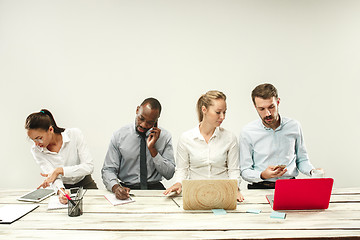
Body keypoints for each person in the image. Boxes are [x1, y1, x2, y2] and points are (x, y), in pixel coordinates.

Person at [164, 90, 244, 202]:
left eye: (224, 112)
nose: (222, 117)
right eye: (218, 112)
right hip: (195, 194)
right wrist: (178, 183)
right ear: (204, 110)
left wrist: (235, 188)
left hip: (223, 194)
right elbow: (182, 170)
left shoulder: (230, 138)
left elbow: (233, 170)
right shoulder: (186, 138)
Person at [239, 83, 323, 189]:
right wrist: (262, 175)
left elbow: (302, 160)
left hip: (290, 187)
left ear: (278, 102)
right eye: (262, 109)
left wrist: (313, 172)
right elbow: (245, 170)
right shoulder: (247, 132)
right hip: (260, 188)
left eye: (271, 107)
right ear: (255, 107)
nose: (268, 113)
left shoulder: (294, 126)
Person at [101, 97, 175, 200]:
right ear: (137, 110)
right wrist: (116, 187)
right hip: (127, 188)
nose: (143, 125)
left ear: (156, 120)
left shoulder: (164, 137)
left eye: (150, 122)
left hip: (155, 189)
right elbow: (108, 170)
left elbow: (169, 174)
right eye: (141, 118)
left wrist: (153, 149)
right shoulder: (119, 136)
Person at [25, 109, 97, 204]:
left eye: (39, 138)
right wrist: (61, 191)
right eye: (33, 140)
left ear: (51, 129)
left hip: (85, 184)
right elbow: (52, 177)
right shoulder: (36, 150)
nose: (37, 144)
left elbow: (89, 167)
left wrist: (60, 170)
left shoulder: (74, 135)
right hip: (64, 187)